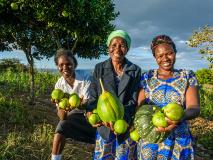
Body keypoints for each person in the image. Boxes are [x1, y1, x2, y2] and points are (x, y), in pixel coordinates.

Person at [137, 35, 200, 159]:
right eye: (160, 56)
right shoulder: (146, 77)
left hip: (179, 139)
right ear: (155, 57)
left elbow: (194, 107)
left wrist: (180, 116)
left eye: (169, 53)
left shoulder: (187, 76)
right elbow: (139, 107)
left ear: (175, 53)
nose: (165, 58)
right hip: (151, 139)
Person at [86, 30, 141, 160]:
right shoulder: (99, 68)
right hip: (103, 127)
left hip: (125, 126)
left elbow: (133, 100)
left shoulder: (134, 70)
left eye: (122, 45)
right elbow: (93, 96)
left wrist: (123, 120)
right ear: (108, 47)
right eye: (114, 45)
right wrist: (89, 113)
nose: (117, 49)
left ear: (127, 49)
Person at [51, 49, 96, 160]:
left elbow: (86, 103)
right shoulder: (59, 85)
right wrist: (61, 107)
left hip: (91, 113)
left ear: (74, 65)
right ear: (57, 66)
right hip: (75, 115)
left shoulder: (86, 77)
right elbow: (62, 117)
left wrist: (75, 105)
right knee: (61, 126)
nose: (65, 67)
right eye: (61, 65)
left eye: (68, 64)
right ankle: (55, 158)